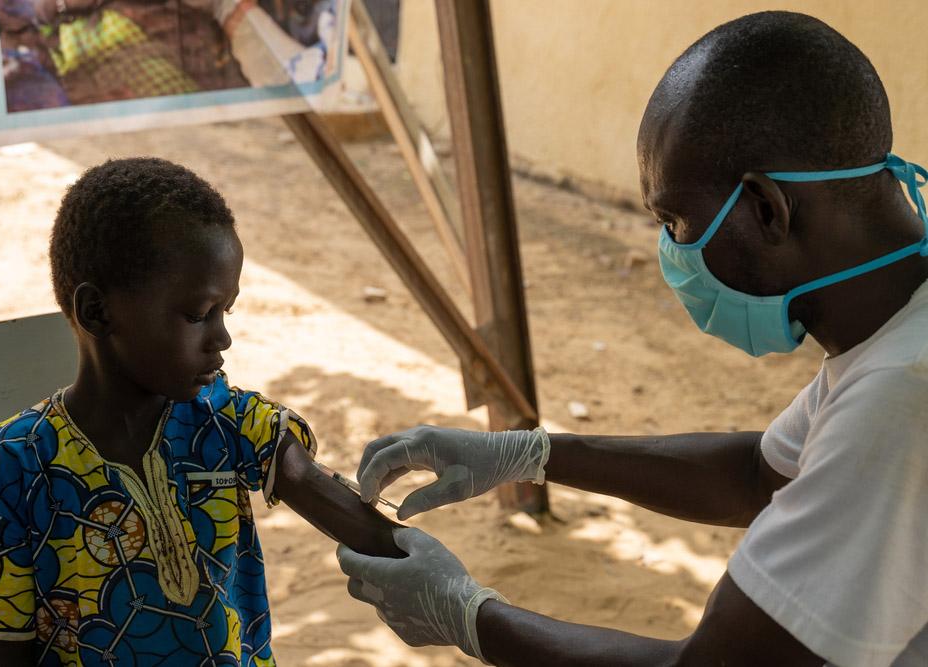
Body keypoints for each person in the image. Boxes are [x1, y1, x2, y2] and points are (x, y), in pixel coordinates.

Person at [337, 11, 928, 667]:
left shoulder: (903, 397)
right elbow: (760, 474)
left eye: (677, 220)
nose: (674, 254)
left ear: (766, 209)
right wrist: (527, 453)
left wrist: (467, 613)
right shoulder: (896, 331)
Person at [0, 158, 403, 666]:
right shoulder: (12, 466)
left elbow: (335, 504)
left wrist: (466, 603)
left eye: (226, 311)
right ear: (97, 312)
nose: (222, 338)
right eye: (198, 315)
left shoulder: (226, 423)